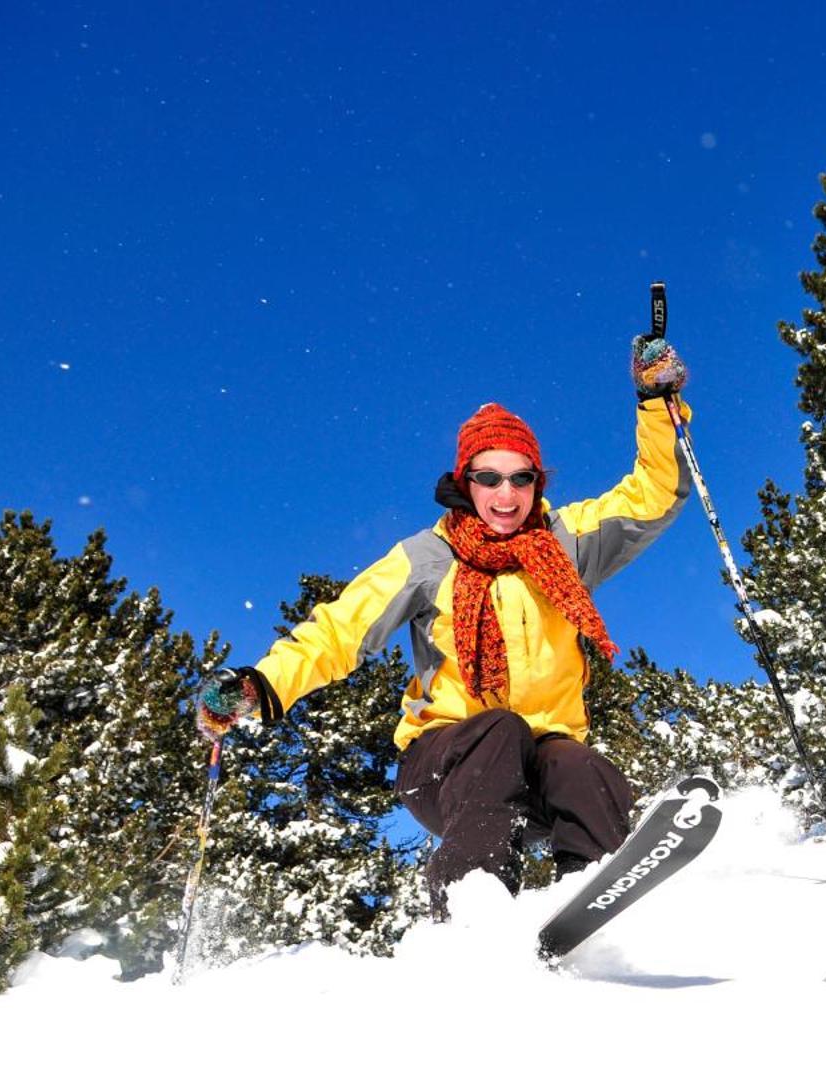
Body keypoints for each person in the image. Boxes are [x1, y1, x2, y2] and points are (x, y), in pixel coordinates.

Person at [196, 337, 693, 911]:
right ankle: (469, 912)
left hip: (538, 770)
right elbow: (337, 631)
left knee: (579, 764)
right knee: (499, 729)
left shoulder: (567, 541)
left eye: (521, 478)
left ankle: (595, 898)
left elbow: (654, 493)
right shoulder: (426, 559)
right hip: (443, 766)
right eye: (488, 478)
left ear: (538, 483)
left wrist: (658, 404)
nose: (506, 494)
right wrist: (259, 685)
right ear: (465, 483)